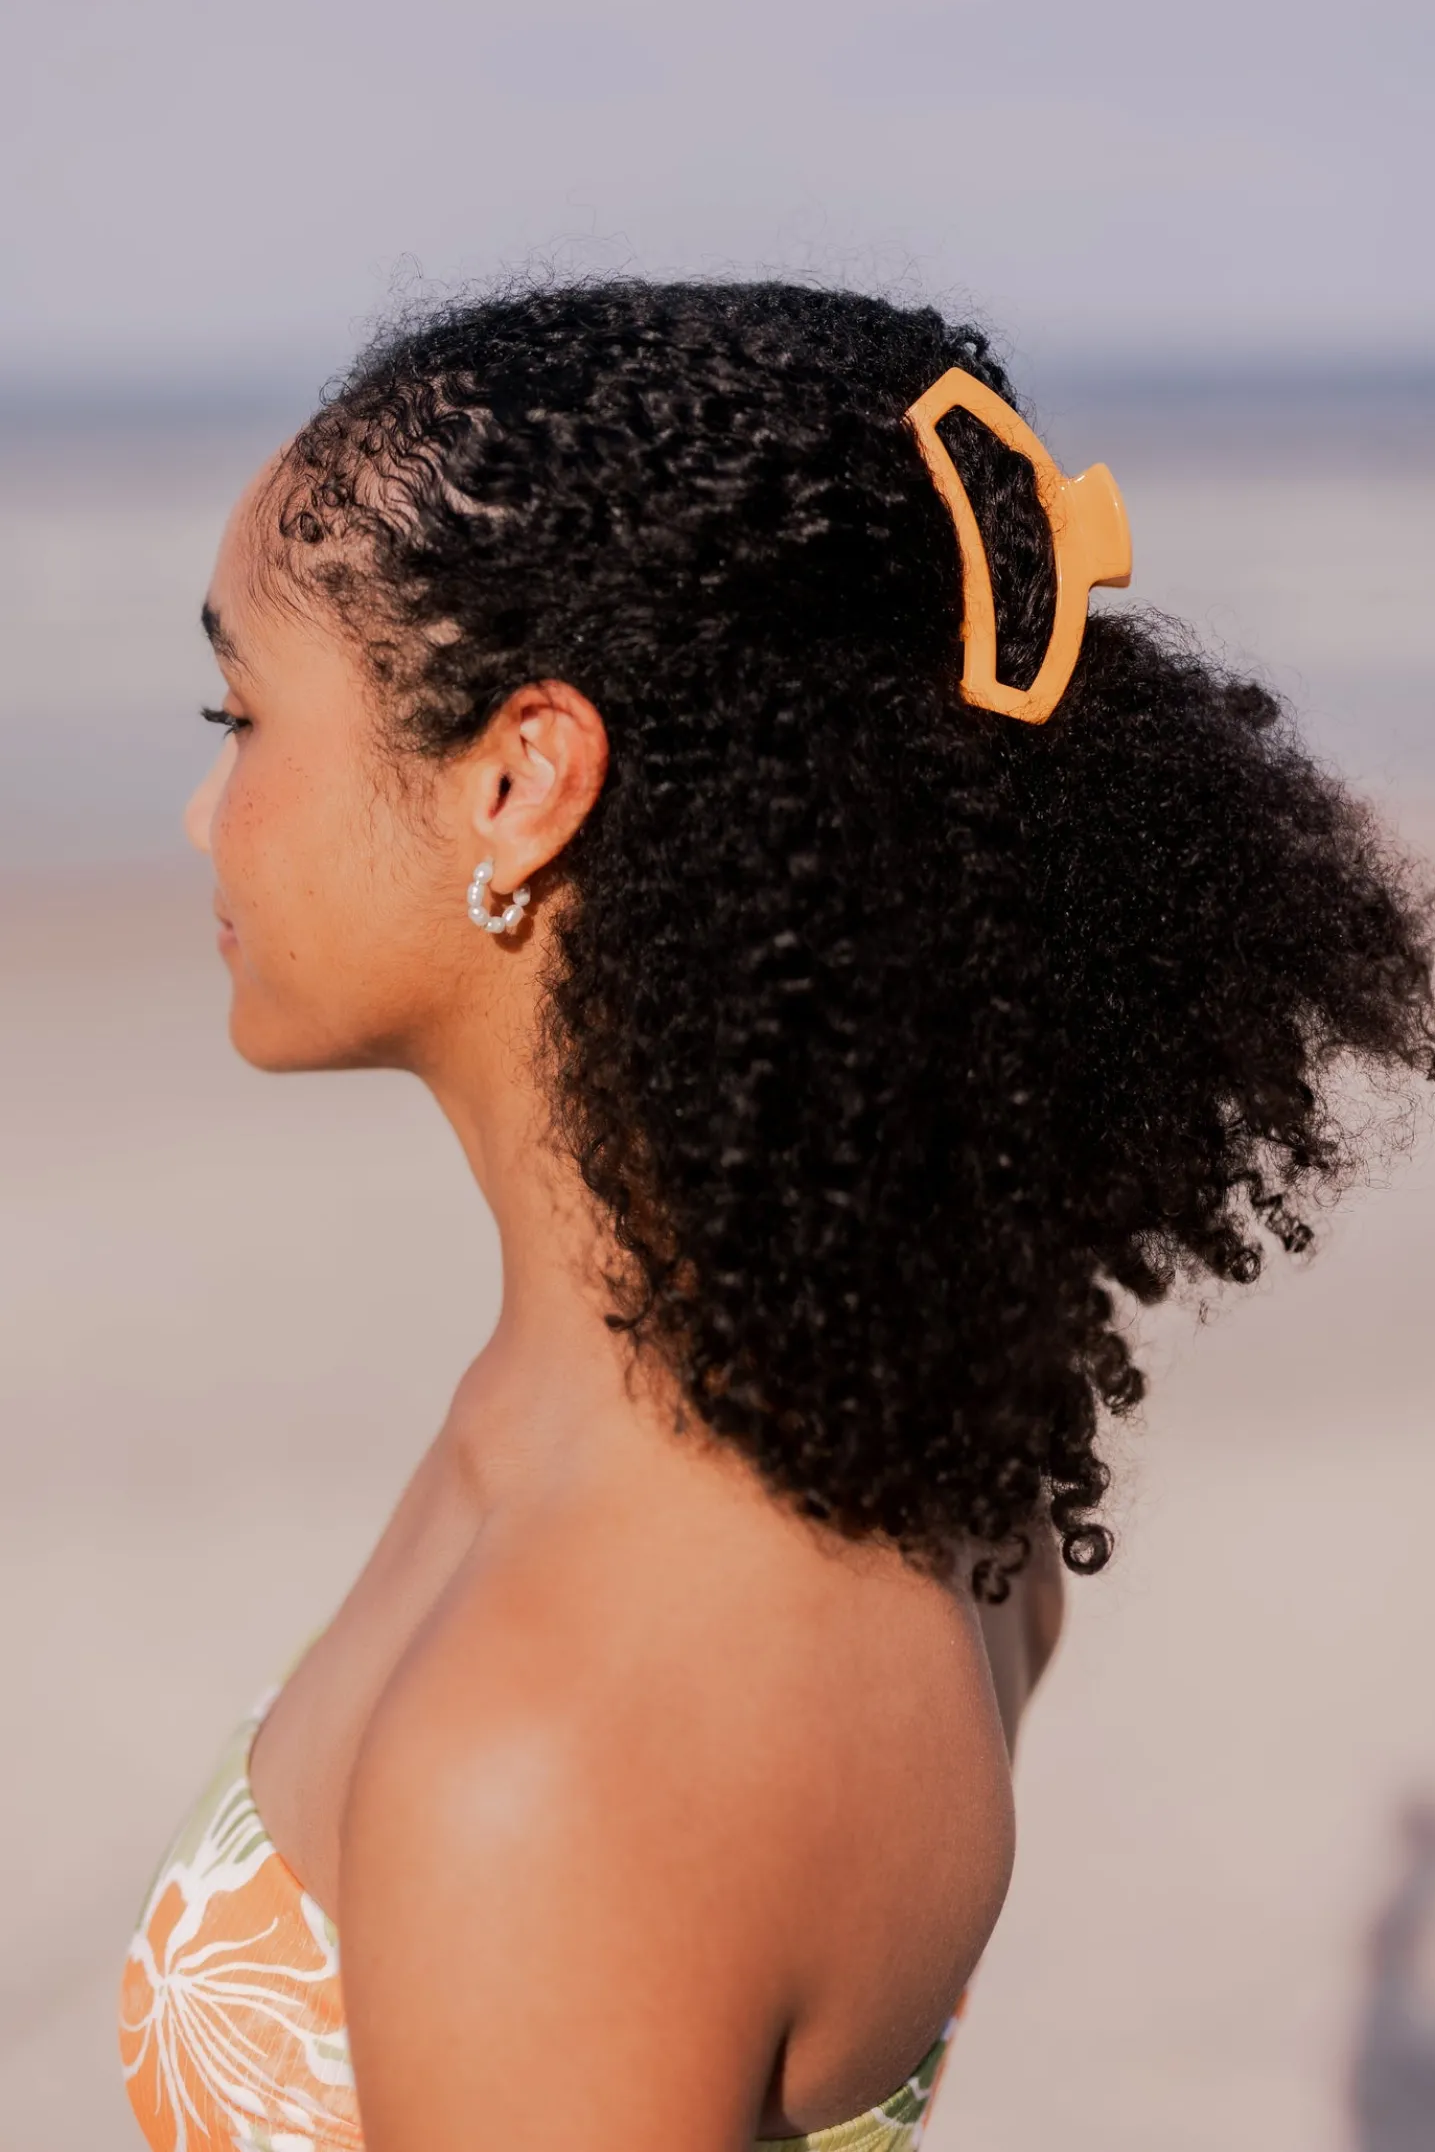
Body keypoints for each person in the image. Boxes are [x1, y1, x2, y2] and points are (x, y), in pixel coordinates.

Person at [118, 280, 1432, 2152]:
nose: (202, 813)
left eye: (239, 711)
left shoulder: (568, 1744)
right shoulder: (865, 1407)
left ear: (521, 778)